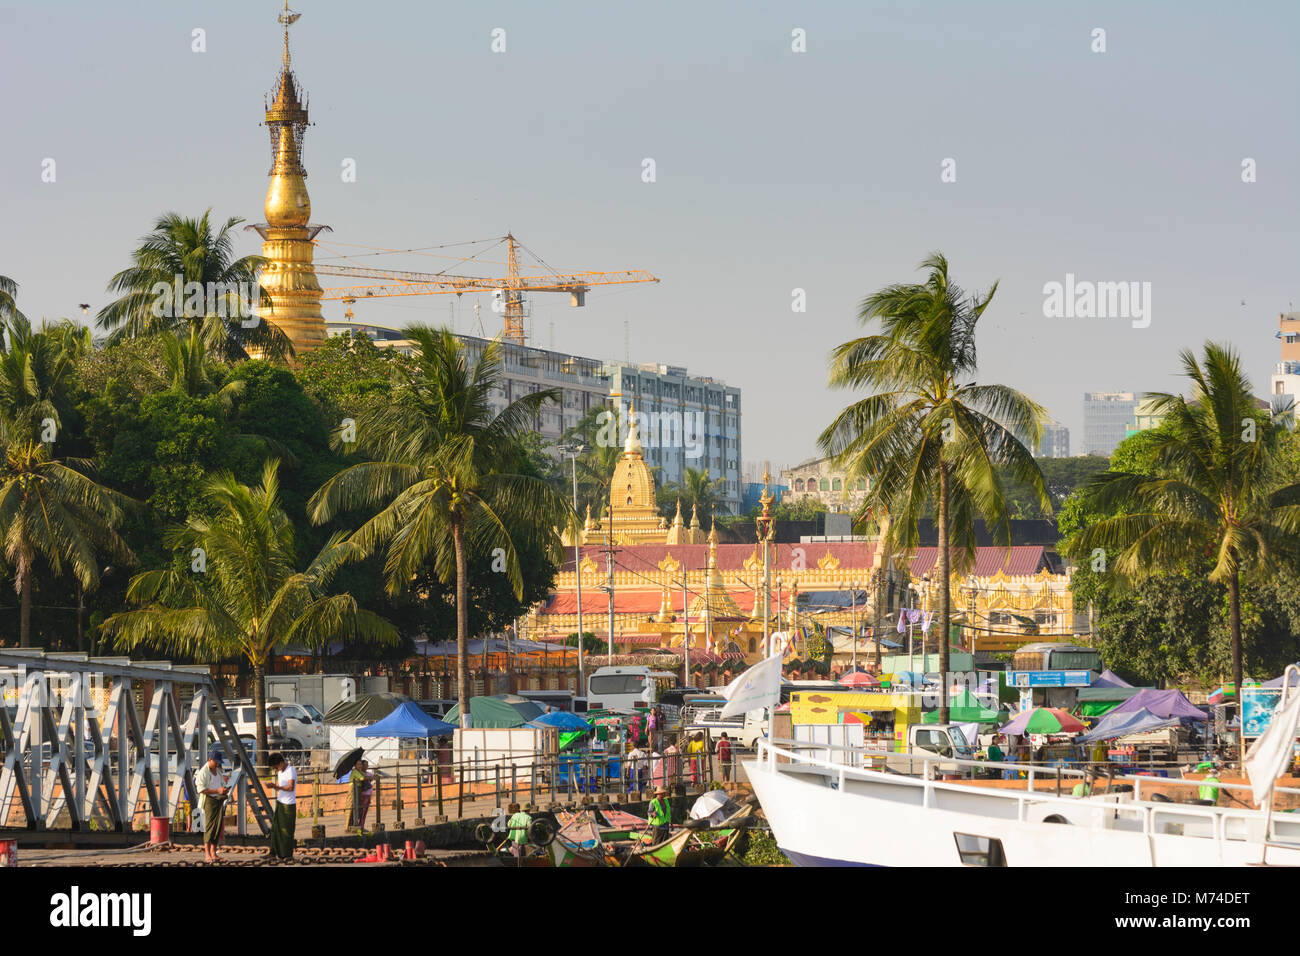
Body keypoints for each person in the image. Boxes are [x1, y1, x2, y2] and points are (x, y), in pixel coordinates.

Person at [195, 748, 229, 863]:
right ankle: (207, 854)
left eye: (218, 762)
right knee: (209, 828)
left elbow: (222, 784)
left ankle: (214, 853)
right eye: (216, 762)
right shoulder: (203, 772)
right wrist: (217, 791)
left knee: (217, 827)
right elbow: (201, 790)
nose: (217, 764)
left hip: (218, 801)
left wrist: (224, 790)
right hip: (208, 802)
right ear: (210, 760)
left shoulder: (217, 771)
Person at [266, 751, 297, 860]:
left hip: (288, 805)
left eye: (275, 767)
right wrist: (273, 786)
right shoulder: (280, 772)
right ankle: (273, 852)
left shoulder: (290, 771)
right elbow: (280, 786)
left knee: (286, 831)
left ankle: (286, 854)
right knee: (275, 829)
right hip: (280, 802)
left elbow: (290, 787)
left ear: (281, 763)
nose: (275, 769)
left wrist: (276, 786)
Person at [349, 759, 374, 830]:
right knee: (358, 809)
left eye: (361, 764)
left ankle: (360, 826)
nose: (360, 766)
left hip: (359, 791)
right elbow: (363, 778)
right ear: (355, 765)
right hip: (355, 791)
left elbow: (366, 776)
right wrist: (368, 778)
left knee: (361, 810)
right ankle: (358, 826)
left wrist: (369, 777)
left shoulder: (359, 772)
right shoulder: (355, 771)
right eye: (358, 764)